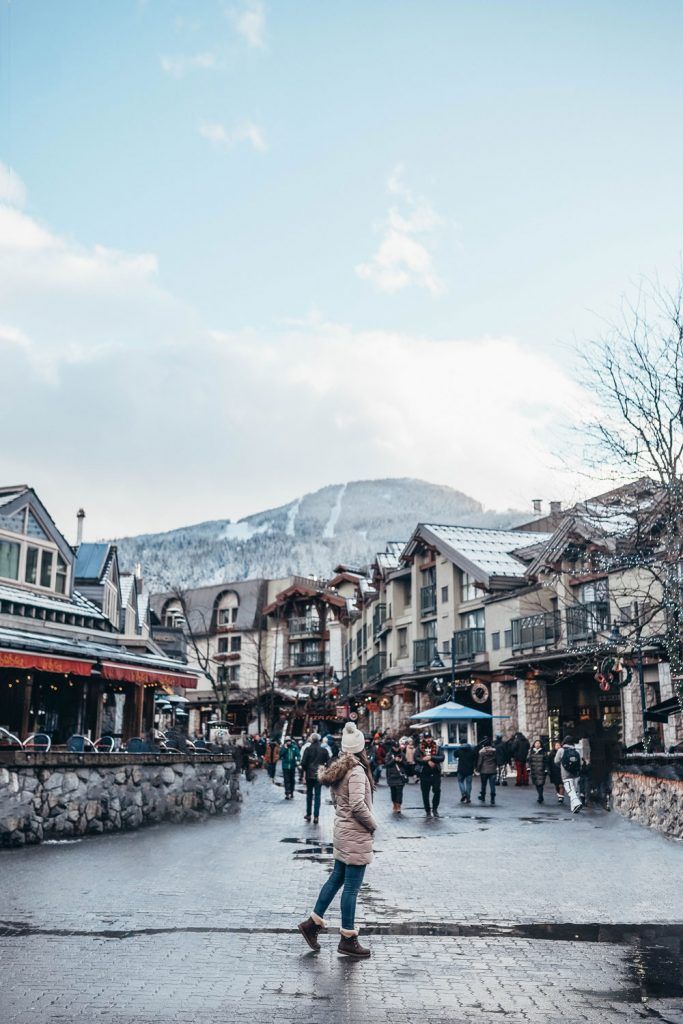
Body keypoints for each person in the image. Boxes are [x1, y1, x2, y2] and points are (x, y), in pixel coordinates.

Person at [298, 722, 376, 958]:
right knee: (351, 888)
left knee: (336, 879)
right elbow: (357, 805)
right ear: (361, 747)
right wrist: (373, 824)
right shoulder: (357, 771)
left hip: (343, 832)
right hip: (355, 835)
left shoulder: (340, 769)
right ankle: (348, 938)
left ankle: (312, 924)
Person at [301, 733, 330, 824]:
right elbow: (328, 762)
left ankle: (309, 814)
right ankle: (316, 816)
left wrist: (306, 770)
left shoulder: (308, 749)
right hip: (319, 774)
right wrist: (324, 769)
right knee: (317, 795)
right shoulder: (324, 750)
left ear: (312, 740)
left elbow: (303, 763)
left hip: (309, 774)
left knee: (309, 795)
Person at [415, 730, 444, 817]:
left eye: (429, 738)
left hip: (435, 773)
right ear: (424, 739)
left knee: (437, 790)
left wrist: (432, 758)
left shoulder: (437, 747)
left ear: (432, 738)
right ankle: (428, 810)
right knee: (425, 793)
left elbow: (442, 757)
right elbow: (416, 758)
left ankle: (435, 809)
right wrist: (426, 762)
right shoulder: (420, 748)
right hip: (424, 773)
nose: (428, 739)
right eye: (426, 738)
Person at [554, 735, 583, 813]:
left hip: (566, 774)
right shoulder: (576, 751)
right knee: (576, 790)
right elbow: (581, 763)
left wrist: (561, 766)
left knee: (570, 790)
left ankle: (577, 803)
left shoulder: (561, 750)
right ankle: (574, 808)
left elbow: (556, 761)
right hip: (576, 774)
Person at [384, 743, 407, 813]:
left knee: (399, 792)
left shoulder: (402, 754)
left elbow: (406, 765)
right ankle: (394, 804)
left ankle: (399, 805)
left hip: (400, 776)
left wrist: (401, 761)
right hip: (391, 776)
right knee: (393, 792)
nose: (396, 748)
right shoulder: (389, 754)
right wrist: (394, 760)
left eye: (397, 747)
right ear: (393, 747)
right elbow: (386, 764)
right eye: (395, 747)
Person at [476, 737, 498, 805]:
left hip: (484, 770)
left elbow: (480, 762)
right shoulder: (494, 752)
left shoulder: (482, 753)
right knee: (492, 785)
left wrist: (478, 769)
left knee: (483, 785)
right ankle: (492, 799)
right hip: (493, 770)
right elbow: (497, 760)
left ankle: (483, 796)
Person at [527, 739, 547, 804]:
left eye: (538, 743)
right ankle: (540, 795)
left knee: (540, 784)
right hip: (534, 770)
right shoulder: (531, 752)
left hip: (541, 770)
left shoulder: (543, 752)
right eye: (536, 743)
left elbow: (546, 761)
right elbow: (529, 761)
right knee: (536, 784)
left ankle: (540, 796)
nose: (537, 744)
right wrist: (528, 768)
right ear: (534, 744)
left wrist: (546, 769)